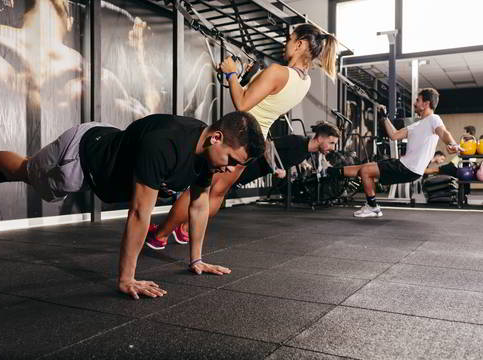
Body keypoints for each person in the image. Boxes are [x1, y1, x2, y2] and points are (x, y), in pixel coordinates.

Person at [0, 111, 265, 299]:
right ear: (216, 138)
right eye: (232, 160)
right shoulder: (167, 145)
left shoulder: (208, 160)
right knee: (30, 173)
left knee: (33, 174)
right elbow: (141, 212)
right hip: (83, 154)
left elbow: (198, 205)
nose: (229, 169)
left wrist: (196, 260)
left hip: (106, 157)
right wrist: (126, 279)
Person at [146, 23, 339, 249]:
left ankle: (160, 235)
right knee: (218, 192)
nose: (284, 45)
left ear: (299, 44)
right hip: (253, 141)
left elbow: (243, 104)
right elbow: (265, 100)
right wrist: (245, 79)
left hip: (237, 134)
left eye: (289, 40)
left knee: (199, 189)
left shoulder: (278, 72)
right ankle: (185, 230)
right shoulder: (305, 82)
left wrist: (230, 74)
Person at [327, 88, 460, 218]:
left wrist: (452, 143)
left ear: (426, 104)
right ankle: (330, 172)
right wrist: (384, 116)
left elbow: (443, 132)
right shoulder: (416, 125)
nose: (415, 103)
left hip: (409, 168)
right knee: (365, 167)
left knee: (366, 171)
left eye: (418, 100)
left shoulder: (433, 119)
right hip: (404, 164)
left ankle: (372, 206)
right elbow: (394, 135)